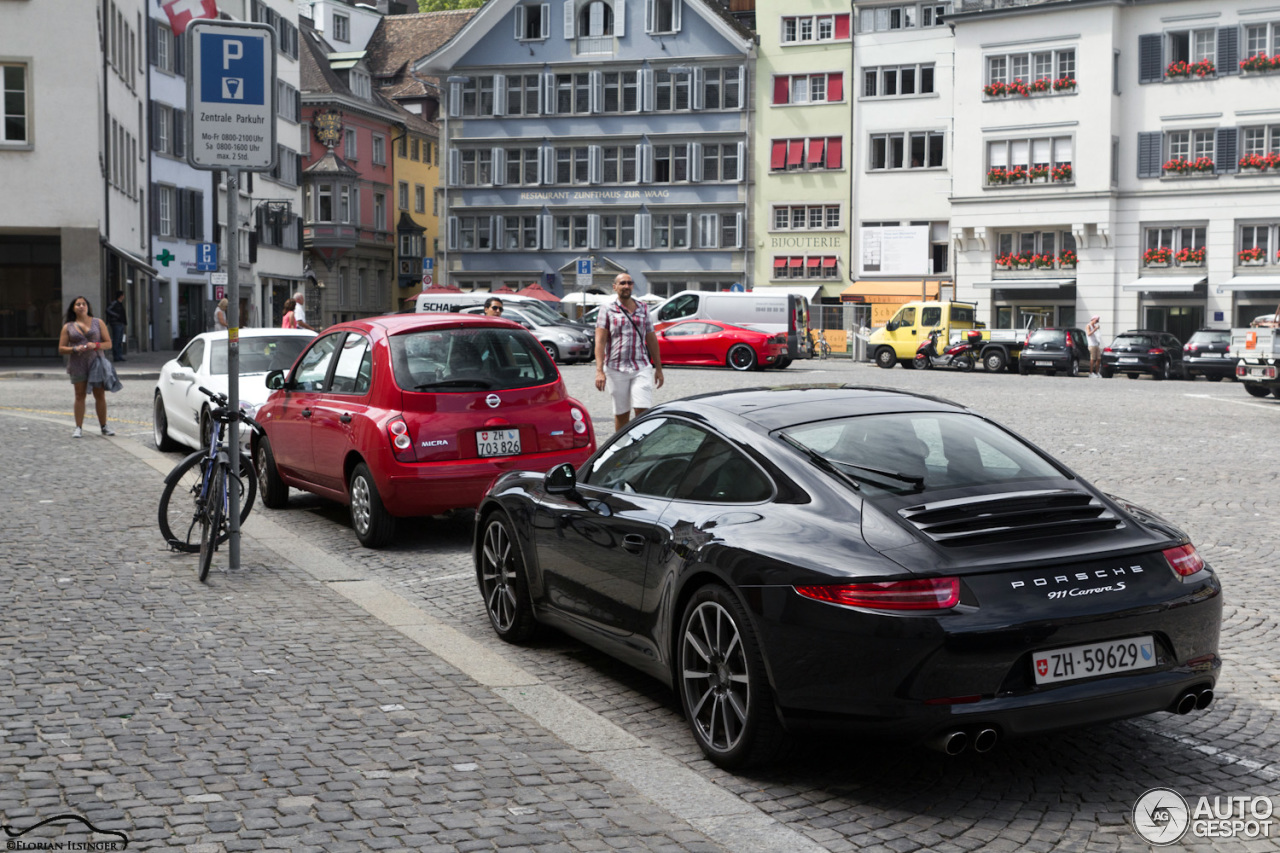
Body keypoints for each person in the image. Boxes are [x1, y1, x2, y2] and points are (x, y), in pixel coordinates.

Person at [595, 273, 664, 432]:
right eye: (622, 283)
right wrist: (599, 371)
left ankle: (640, 445)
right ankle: (622, 449)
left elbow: (651, 338)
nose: (626, 286)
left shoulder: (643, 308)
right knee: (622, 414)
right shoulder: (607, 309)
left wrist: (658, 369)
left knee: (642, 409)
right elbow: (600, 341)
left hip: (641, 366)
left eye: (629, 283)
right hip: (615, 368)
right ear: (615, 287)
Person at [57, 296, 115, 438]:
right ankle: (78, 427)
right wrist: (74, 349)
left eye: (84, 304)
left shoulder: (98, 322)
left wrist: (95, 345)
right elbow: (61, 348)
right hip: (78, 364)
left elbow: (108, 343)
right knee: (79, 395)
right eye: (78, 304)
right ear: (73, 308)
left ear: (88, 307)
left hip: (97, 363)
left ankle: (104, 426)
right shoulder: (68, 326)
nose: (81, 306)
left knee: (99, 395)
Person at [106, 290, 127, 361]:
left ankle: (119, 355)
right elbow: (108, 310)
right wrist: (116, 315)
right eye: (123, 295)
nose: (124, 297)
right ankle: (116, 356)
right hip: (116, 323)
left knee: (120, 340)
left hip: (121, 323)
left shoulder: (120, 304)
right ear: (121, 296)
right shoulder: (115, 303)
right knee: (116, 340)